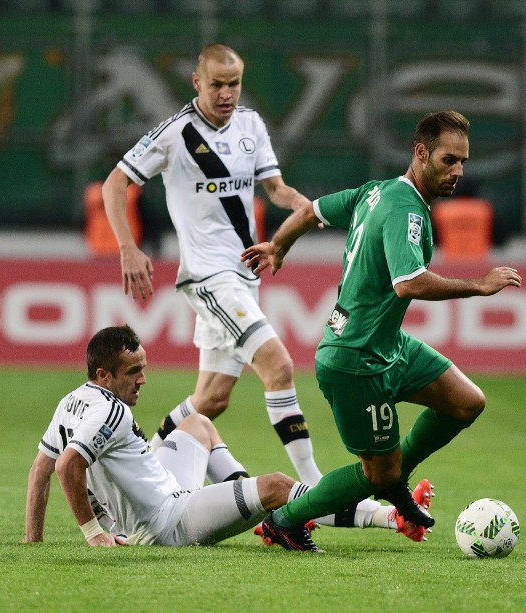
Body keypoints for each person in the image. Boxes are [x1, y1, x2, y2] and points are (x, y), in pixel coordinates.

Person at [101, 43, 396, 531]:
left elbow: (274, 187)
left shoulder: (251, 126)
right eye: (216, 84)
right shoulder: (175, 133)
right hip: (207, 277)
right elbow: (115, 182)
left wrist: (304, 207)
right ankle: (316, 490)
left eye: (233, 84)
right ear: (197, 82)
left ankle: (150, 456)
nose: (226, 93)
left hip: (243, 275)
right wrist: (128, 248)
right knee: (278, 364)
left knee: (213, 399)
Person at [242, 110, 523, 552]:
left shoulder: (375, 192)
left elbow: (310, 210)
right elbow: (408, 282)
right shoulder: (405, 209)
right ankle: (284, 521)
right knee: (376, 474)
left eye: (463, 162)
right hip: (356, 359)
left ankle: (396, 480)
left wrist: (279, 245)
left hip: (388, 345)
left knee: (467, 402)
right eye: (449, 160)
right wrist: (478, 285)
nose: (458, 172)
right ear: (420, 153)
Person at [24, 325, 318, 548]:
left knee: (198, 422)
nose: (143, 380)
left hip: (165, 495)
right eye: (133, 372)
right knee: (277, 486)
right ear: (104, 375)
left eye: (143, 369)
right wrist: (93, 534)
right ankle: (350, 508)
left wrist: (32, 541)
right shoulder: (111, 411)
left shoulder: (70, 402)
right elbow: (67, 466)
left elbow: (40, 471)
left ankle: (263, 514)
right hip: (169, 523)